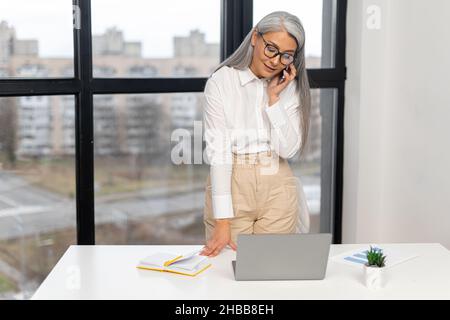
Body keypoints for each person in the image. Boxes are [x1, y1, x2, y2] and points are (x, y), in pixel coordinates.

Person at [200, 11, 311, 257]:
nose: (275, 61)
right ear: (254, 38)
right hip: (233, 184)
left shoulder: (289, 86)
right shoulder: (221, 82)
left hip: (278, 184)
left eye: (286, 55)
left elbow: (288, 150)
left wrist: (274, 101)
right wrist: (222, 222)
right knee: (228, 273)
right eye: (271, 48)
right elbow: (219, 155)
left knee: (272, 271)